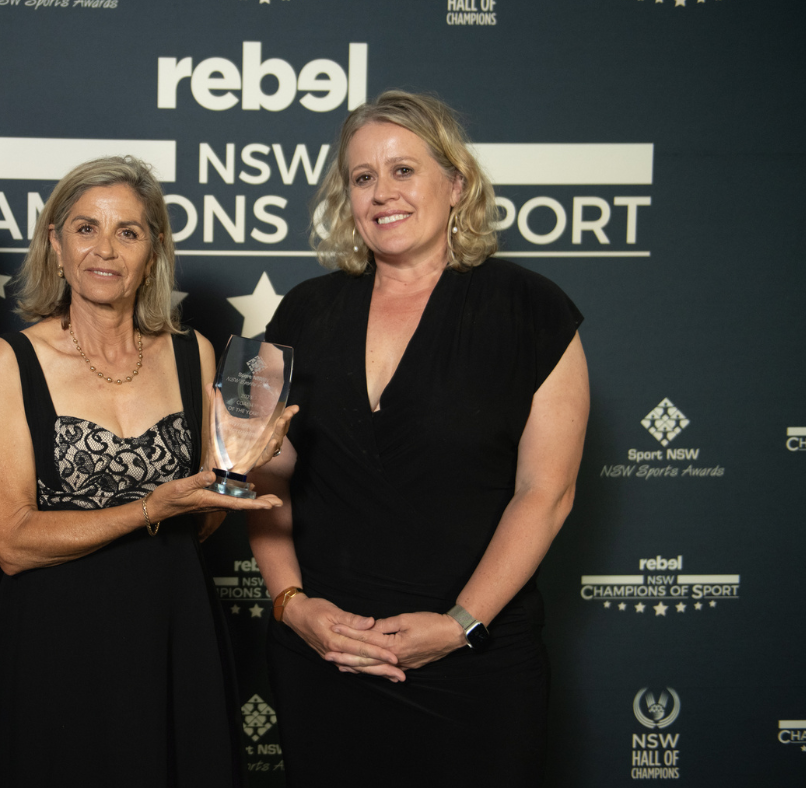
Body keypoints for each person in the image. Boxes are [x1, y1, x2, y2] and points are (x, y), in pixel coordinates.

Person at [246, 91, 590, 786]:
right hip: (328, 661)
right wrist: (293, 607)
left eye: (404, 170)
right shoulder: (303, 310)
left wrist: (461, 624)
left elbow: (544, 493)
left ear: (455, 184)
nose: (382, 193)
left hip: (476, 669)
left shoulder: (532, 310)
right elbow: (263, 478)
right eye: (363, 177)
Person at [0, 156, 295, 788]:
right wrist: (152, 508)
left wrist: (238, 468)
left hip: (174, 632)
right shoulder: (8, 359)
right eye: (86, 228)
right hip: (54, 644)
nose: (106, 250)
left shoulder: (193, 353)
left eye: (129, 231)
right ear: (55, 245)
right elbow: (10, 543)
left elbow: (199, 517)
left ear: (154, 250)